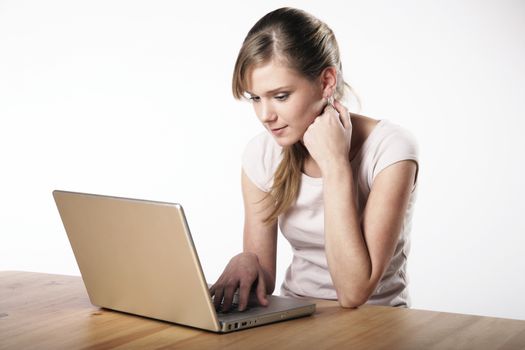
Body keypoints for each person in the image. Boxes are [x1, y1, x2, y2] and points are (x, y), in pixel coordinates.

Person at [210, 7, 419, 312]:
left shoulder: (390, 149)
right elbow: (265, 281)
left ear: (326, 82)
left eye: (280, 96)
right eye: (255, 98)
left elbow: (354, 292)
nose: (265, 116)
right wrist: (247, 262)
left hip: (377, 322)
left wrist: (335, 164)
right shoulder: (262, 153)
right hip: (298, 315)